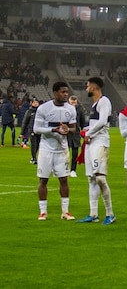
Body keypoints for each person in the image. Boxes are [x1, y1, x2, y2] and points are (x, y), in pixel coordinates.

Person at [33, 82, 77, 221]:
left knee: (64, 180)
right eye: (62, 92)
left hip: (62, 150)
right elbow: (36, 129)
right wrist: (53, 129)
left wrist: (67, 130)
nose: (65, 94)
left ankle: (65, 211)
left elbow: (73, 128)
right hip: (46, 149)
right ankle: (43, 212)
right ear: (55, 93)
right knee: (43, 180)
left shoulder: (71, 109)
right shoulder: (44, 108)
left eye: (66, 92)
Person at [77, 76, 116, 225]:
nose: (87, 89)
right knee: (91, 179)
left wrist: (88, 133)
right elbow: (95, 124)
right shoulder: (94, 105)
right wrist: (87, 131)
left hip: (100, 142)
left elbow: (102, 121)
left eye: (87, 86)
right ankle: (93, 214)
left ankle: (110, 214)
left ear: (94, 87)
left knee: (100, 178)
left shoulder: (104, 101)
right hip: (91, 142)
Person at [68, 95, 87, 177]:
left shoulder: (79, 109)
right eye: (72, 102)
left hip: (75, 133)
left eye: (75, 102)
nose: (73, 103)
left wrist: (85, 130)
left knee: (75, 152)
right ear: (69, 101)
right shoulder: (65, 108)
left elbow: (82, 121)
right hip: (66, 133)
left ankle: (73, 170)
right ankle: (61, 168)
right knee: (64, 152)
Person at [21, 98, 41, 164]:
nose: (35, 104)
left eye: (36, 102)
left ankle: (34, 157)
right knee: (33, 144)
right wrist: (22, 132)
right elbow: (25, 122)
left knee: (38, 144)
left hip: (39, 130)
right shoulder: (29, 111)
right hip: (32, 130)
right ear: (31, 103)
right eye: (34, 102)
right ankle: (34, 158)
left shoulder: (40, 111)